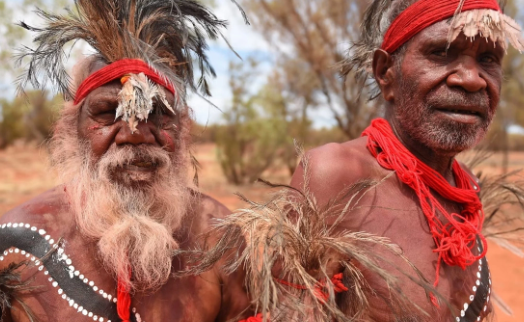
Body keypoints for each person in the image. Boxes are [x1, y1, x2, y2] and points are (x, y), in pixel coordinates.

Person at [194, 0, 524, 321]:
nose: (471, 79)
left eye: (488, 58)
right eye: (440, 52)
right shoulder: (336, 176)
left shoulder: (466, 190)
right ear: (385, 73)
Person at [0, 0, 250, 321]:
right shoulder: (13, 244)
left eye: (158, 114)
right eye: (107, 113)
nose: (134, 134)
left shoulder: (218, 235)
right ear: (70, 131)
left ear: (183, 130)